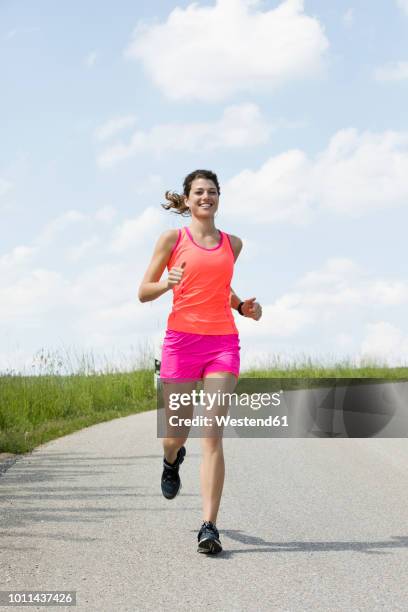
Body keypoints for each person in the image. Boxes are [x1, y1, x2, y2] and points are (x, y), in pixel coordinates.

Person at [138, 169, 262, 554]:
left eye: (212, 192)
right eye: (199, 192)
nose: (206, 197)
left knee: (212, 433)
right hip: (181, 343)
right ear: (187, 200)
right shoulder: (173, 239)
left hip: (222, 343)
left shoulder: (233, 243)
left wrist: (242, 306)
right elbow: (143, 291)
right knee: (176, 433)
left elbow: (219, 287)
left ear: (218, 198)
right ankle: (172, 459)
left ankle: (209, 526)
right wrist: (167, 283)